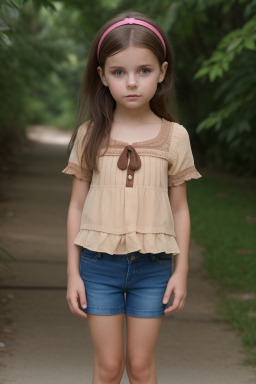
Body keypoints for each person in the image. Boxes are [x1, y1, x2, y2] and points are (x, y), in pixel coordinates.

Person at [62, 11, 202, 384]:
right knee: (108, 369)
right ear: (102, 76)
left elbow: (180, 208)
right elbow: (76, 206)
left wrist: (181, 271)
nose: (132, 82)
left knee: (141, 369)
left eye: (143, 70)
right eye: (119, 72)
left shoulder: (175, 136)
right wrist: (73, 273)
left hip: (153, 269)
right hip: (98, 267)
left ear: (162, 72)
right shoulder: (89, 134)